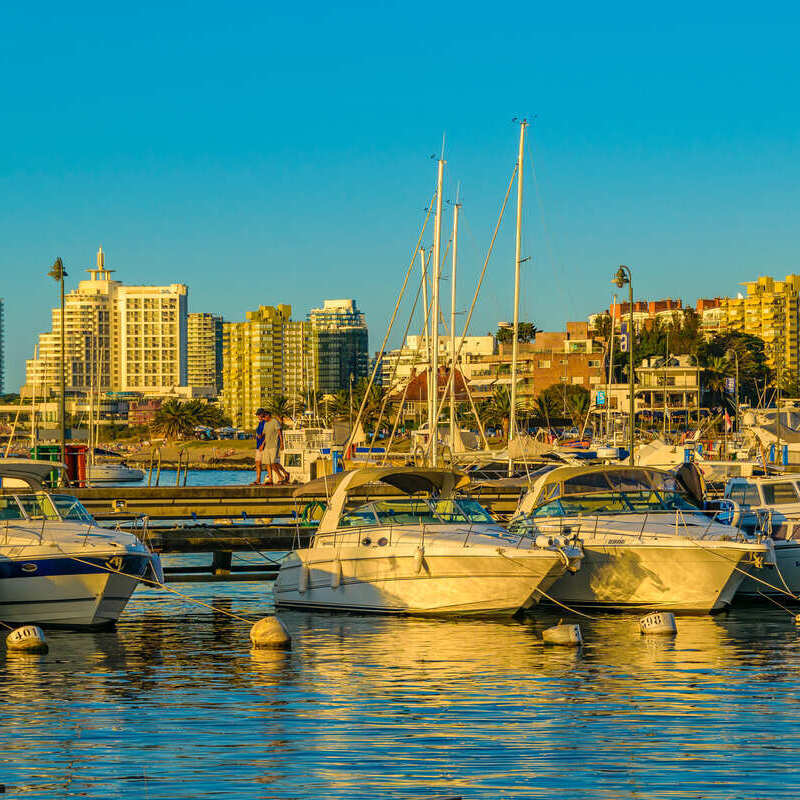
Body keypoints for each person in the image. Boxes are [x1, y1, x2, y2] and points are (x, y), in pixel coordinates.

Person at [262, 410, 290, 485]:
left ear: (268, 415)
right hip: (267, 446)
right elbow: (266, 436)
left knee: (273, 463)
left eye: (264, 416)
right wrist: (262, 444)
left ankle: (281, 477)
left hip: (274, 445)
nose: (263, 418)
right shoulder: (265, 424)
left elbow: (279, 433)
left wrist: (282, 443)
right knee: (269, 463)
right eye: (263, 417)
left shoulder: (275, 422)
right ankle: (285, 473)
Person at [253, 408, 270, 485]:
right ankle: (258, 479)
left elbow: (267, 435)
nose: (258, 416)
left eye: (259, 414)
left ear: (263, 414)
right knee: (257, 462)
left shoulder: (265, 423)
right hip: (258, 446)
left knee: (267, 463)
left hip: (264, 446)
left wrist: (262, 444)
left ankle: (270, 478)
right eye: (257, 414)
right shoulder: (260, 423)